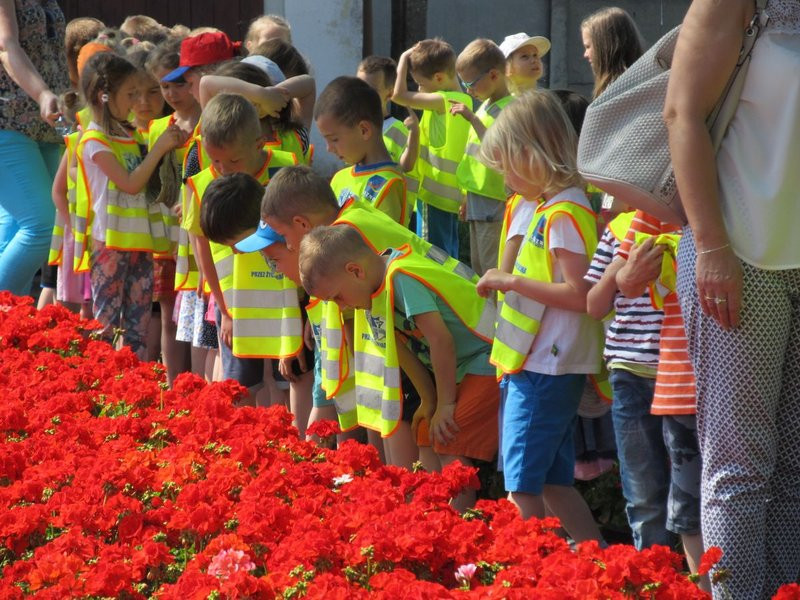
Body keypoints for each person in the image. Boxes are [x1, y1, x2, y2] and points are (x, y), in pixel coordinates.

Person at [664, 0, 800, 596]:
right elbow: (681, 112)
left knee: (796, 467)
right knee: (739, 466)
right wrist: (712, 245)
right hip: (741, 254)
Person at [237, 165, 471, 467]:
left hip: (453, 345)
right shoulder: (338, 238)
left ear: (302, 224)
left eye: (285, 237)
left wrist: (434, 397)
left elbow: (397, 329)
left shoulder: (350, 234)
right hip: (412, 354)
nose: (291, 246)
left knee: (424, 454)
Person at [475, 91, 603, 544]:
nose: (507, 181)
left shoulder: (563, 213)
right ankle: (599, 559)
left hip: (545, 369)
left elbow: (580, 294)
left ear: (533, 155)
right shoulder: (553, 206)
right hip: (540, 366)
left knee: (521, 487)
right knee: (551, 482)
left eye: (508, 167)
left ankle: (521, 573)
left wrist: (511, 283)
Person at [299, 225, 498, 511]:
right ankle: (428, 513)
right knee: (426, 432)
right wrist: (429, 401)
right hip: (461, 369)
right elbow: (401, 351)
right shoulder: (370, 291)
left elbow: (441, 342)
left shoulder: (400, 278)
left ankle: (459, 523)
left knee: (446, 440)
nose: (340, 307)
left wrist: (445, 404)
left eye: (337, 297)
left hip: (486, 357)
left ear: (356, 271)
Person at [183, 94, 301, 419]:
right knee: (240, 385)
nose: (222, 170)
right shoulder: (202, 183)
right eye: (215, 161)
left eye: (232, 162)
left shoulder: (286, 167)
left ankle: (285, 442)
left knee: (286, 376)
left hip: (284, 298)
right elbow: (202, 247)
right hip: (234, 302)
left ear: (259, 143)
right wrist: (224, 310)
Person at [614, 210, 706, 590]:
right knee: (673, 502)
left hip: (727, 375)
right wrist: (630, 273)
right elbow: (617, 284)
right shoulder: (656, 203)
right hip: (674, 379)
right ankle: (682, 588)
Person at [74, 52, 186, 359]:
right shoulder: (94, 140)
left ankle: (134, 390)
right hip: (109, 243)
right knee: (106, 325)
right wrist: (159, 148)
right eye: (130, 94)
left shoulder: (130, 134)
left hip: (140, 240)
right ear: (104, 95)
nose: (137, 101)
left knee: (138, 326)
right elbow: (131, 182)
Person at [585, 209, 673, 549]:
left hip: (681, 374)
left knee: (690, 484)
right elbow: (593, 305)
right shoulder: (618, 230)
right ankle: (653, 573)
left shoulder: (690, 223)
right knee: (642, 486)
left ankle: (697, 576)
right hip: (629, 372)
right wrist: (613, 275)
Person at [0, 0, 71, 296]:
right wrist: (42, 93)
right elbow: (6, 45)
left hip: (46, 125)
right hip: (9, 118)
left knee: (18, 226)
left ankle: (10, 333)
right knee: (43, 224)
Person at [392, 38, 472, 258]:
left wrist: (402, 60)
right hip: (452, 196)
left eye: (420, 84)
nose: (419, 90)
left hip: (433, 197)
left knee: (432, 259)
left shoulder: (442, 101)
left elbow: (398, 96)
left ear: (438, 78)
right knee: (449, 256)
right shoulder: (465, 98)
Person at [451, 38, 513, 275]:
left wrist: (472, 119)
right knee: (478, 265)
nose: (468, 90)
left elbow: (498, 149)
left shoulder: (510, 108)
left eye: (471, 83)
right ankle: (486, 310)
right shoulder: (485, 104)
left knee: (490, 266)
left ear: (494, 76)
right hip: (478, 197)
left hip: (493, 199)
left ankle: (495, 311)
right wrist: (467, 196)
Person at [315, 76, 407, 226]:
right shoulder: (340, 177)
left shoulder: (388, 185)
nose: (329, 148)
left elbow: (381, 245)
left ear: (364, 130)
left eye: (334, 139)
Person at [357, 55, 420, 224]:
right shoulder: (352, 129)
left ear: (390, 93)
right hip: (362, 220)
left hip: (391, 223)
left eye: (371, 90)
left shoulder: (399, 132)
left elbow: (409, 174)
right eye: (359, 87)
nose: (362, 96)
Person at [580, 7, 644, 99]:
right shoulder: (644, 80)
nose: (585, 54)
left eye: (588, 47)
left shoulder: (615, 92)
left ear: (605, 46)